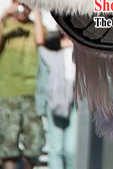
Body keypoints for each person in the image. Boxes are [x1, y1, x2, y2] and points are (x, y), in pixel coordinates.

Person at [0, 0, 45, 169]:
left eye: (27, 4)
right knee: (8, 144)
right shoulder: (4, 24)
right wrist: (3, 16)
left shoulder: (35, 27)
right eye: (21, 3)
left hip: (31, 92)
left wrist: (36, 12)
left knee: (34, 144)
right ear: (13, 1)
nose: (23, 8)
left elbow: (41, 40)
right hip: (8, 92)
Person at [37, 32, 76, 169]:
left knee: (72, 150)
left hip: (76, 101)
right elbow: (40, 42)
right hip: (55, 101)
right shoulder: (52, 43)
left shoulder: (84, 42)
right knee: (56, 149)